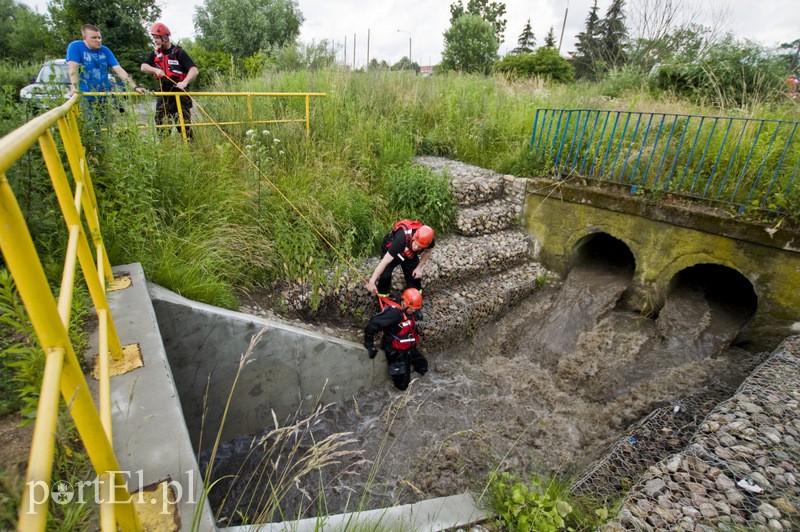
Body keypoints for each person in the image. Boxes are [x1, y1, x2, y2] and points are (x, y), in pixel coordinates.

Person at [66, 24, 145, 122]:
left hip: (104, 96)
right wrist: (75, 88)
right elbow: (73, 68)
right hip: (85, 97)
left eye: (99, 37)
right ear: (84, 38)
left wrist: (135, 86)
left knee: (105, 127)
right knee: (91, 127)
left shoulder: (105, 50)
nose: (98, 40)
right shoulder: (75, 47)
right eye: (94, 37)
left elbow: (119, 70)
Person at [140, 22, 199, 138]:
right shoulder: (155, 53)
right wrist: (155, 70)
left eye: (157, 38)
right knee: (160, 122)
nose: (155, 41)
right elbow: (143, 67)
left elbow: (194, 70)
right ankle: (165, 148)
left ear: (165, 37)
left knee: (183, 124)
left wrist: (184, 82)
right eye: (154, 38)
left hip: (179, 92)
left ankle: (190, 147)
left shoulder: (179, 53)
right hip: (164, 92)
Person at [364, 288, 428, 391]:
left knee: (423, 366)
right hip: (395, 351)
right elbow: (372, 326)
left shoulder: (409, 310)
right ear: (405, 303)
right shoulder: (393, 313)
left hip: (409, 347)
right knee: (402, 386)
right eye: (412, 308)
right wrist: (369, 345)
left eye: (416, 308)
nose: (414, 311)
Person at [365, 220, 435, 297]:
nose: (416, 247)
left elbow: (427, 252)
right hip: (394, 250)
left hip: (409, 253)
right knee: (385, 275)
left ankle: (415, 298)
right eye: (416, 244)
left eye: (420, 247)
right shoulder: (401, 238)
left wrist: (419, 268)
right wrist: (372, 281)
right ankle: (383, 296)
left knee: (414, 276)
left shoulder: (429, 240)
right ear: (414, 236)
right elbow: (385, 261)